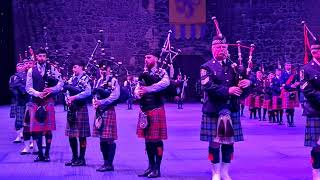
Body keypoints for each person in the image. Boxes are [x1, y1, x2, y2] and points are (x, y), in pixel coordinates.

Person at [200, 35, 252, 180]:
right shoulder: (206, 66)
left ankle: (224, 171)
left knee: (229, 142)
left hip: (231, 108)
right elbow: (207, 86)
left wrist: (248, 83)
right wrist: (227, 90)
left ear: (227, 49)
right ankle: (215, 171)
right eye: (218, 47)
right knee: (215, 142)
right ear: (212, 49)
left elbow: (247, 83)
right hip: (214, 109)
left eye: (223, 47)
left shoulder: (235, 67)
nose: (221, 49)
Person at [135, 51, 170, 178]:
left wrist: (148, 89)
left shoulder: (162, 72)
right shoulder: (144, 73)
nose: (146, 59)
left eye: (149, 57)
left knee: (156, 140)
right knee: (148, 140)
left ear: (156, 59)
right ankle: (150, 166)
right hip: (144, 109)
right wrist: (137, 93)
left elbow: (165, 84)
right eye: (145, 57)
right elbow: (138, 87)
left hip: (156, 108)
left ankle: (157, 168)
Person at [26, 48, 63, 162]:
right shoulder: (31, 71)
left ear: (46, 57)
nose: (42, 58)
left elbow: (61, 83)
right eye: (40, 56)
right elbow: (28, 88)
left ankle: (47, 154)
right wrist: (38, 93)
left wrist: (51, 89)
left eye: (44, 56)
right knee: (36, 130)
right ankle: (40, 154)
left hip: (48, 101)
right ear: (37, 57)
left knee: (48, 129)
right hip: (36, 101)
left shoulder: (52, 69)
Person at [92, 63, 120, 172]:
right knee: (102, 139)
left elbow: (115, 95)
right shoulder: (98, 81)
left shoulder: (113, 80)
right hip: (99, 111)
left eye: (105, 69)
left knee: (109, 139)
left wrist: (101, 102)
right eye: (101, 69)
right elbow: (94, 93)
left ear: (109, 69)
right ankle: (105, 162)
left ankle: (110, 164)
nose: (102, 71)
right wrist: (94, 102)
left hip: (108, 110)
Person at [64, 60, 91, 167]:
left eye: (75, 67)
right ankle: (74, 157)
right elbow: (67, 91)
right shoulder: (71, 79)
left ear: (81, 67)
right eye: (73, 67)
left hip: (81, 108)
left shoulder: (86, 78)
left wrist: (74, 97)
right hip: (71, 108)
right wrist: (67, 99)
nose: (73, 69)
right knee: (71, 135)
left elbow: (88, 92)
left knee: (82, 136)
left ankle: (82, 158)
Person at [300, 40, 320, 179]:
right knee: (317, 146)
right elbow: (307, 90)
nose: (315, 51)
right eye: (313, 50)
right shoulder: (306, 69)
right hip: (315, 110)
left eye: (318, 49)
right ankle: (316, 171)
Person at [281, 61, 300, 127]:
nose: (289, 66)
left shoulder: (294, 74)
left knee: (292, 108)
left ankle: (292, 120)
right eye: (287, 65)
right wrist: (290, 86)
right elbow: (282, 84)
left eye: (289, 65)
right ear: (285, 66)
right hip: (287, 92)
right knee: (287, 108)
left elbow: (297, 81)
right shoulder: (283, 74)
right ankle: (288, 121)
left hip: (293, 92)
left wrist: (297, 84)